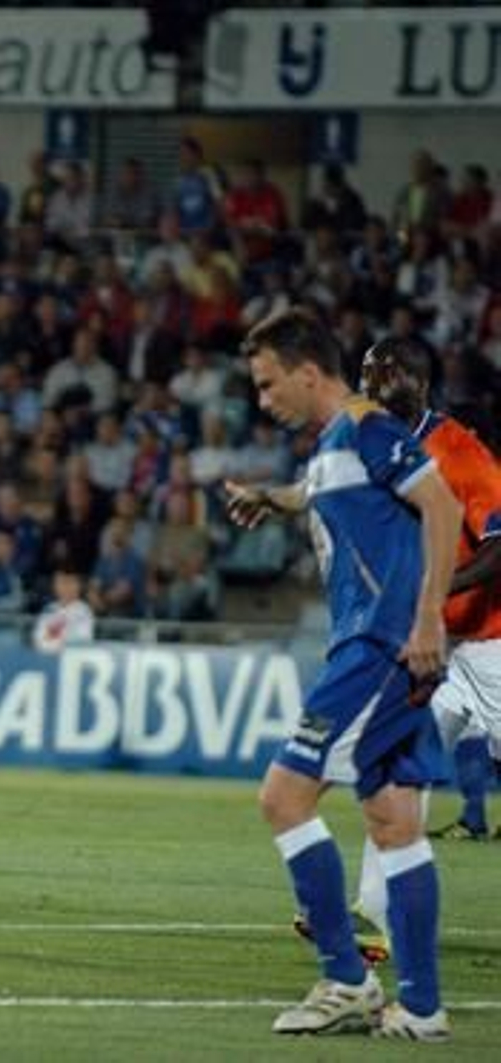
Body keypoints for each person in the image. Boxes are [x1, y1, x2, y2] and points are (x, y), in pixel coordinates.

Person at [225, 309, 460, 1041]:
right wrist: (275, 495)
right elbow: (319, 490)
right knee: (393, 821)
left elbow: (443, 508)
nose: (263, 400)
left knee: (283, 796)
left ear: (308, 370)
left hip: (380, 646)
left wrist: (428, 618)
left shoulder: (369, 428)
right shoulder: (333, 446)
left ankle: (347, 978)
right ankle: (420, 1008)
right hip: (378, 647)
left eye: (268, 385)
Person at [359, 339, 501, 846]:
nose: (368, 383)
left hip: (489, 642)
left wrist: (440, 586)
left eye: (380, 373)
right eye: (365, 371)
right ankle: (378, 903)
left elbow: (498, 544)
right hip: (433, 641)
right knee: (397, 764)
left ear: (416, 383)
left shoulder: (462, 452)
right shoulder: (376, 448)